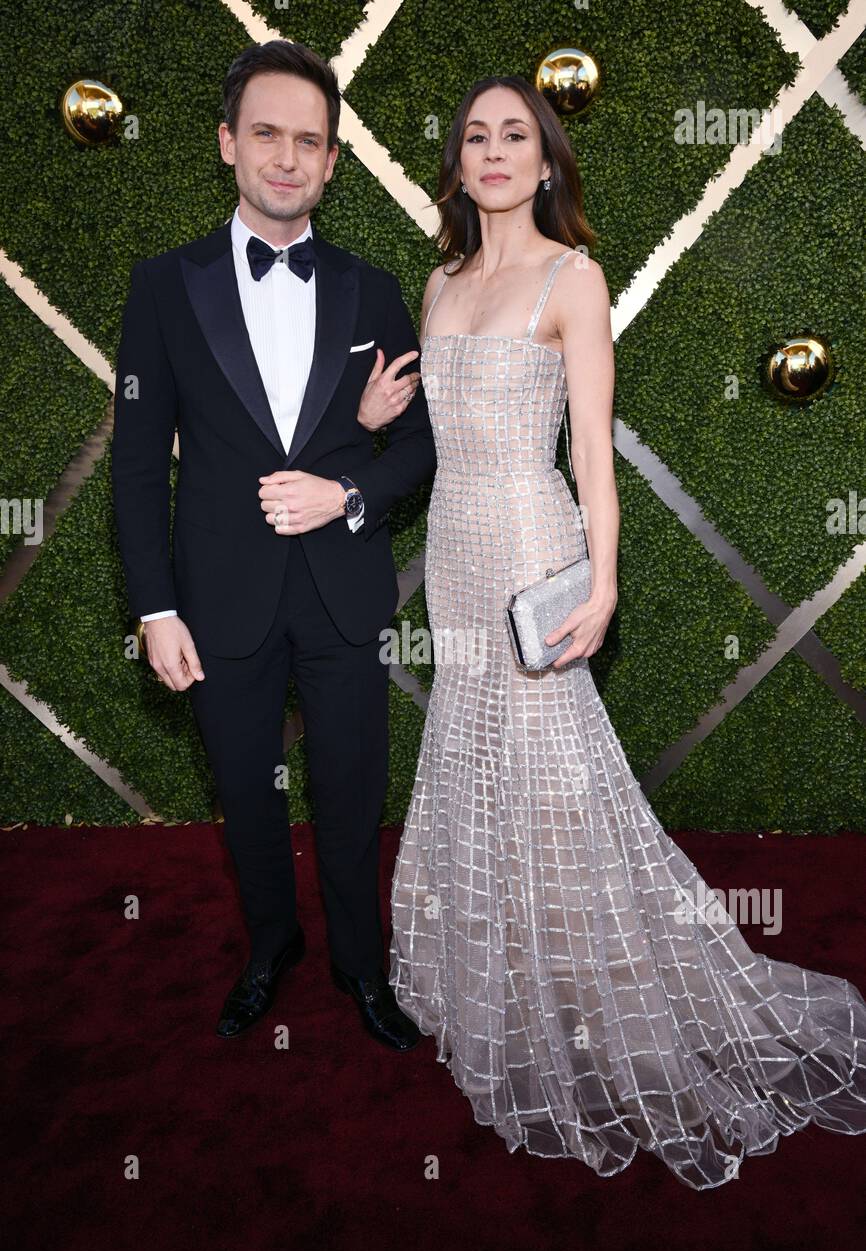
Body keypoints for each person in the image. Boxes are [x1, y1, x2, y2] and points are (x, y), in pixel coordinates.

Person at [387, 74, 866, 1188]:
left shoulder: (573, 276)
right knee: (473, 756)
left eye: (516, 135)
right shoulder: (442, 277)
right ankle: (498, 971)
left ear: (546, 161)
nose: (495, 152)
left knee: (555, 773)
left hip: (531, 550)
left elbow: (592, 456)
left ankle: (589, 980)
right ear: (456, 164)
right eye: (475, 136)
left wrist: (600, 584)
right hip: (453, 561)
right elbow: (435, 437)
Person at [112, 40, 435, 1049]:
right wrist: (154, 608)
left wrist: (343, 488)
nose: (287, 158)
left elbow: (419, 446)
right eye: (266, 134)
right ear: (227, 144)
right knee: (246, 797)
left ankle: (359, 963)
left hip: (341, 591)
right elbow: (132, 465)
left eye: (308, 140)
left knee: (350, 791)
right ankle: (268, 949)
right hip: (218, 599)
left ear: (333, 160)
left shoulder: (374, 287)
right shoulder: (162, 285)